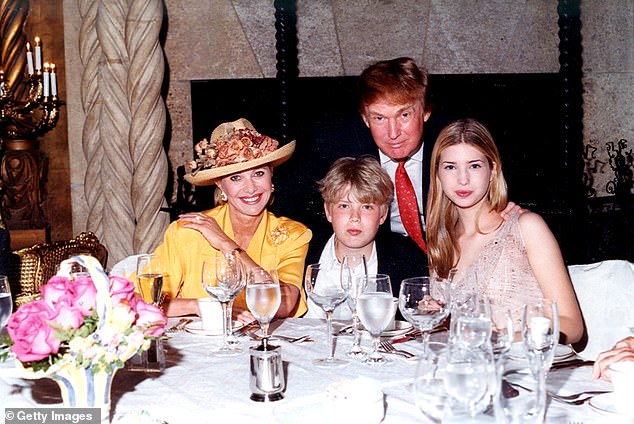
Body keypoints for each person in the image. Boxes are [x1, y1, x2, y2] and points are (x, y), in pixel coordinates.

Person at [356, 57, 519, 282]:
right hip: (386, 265)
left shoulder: (451, 144)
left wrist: (512, 207)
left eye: (404, 115)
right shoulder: (340, 149)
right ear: (365, 118)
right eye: (379, 118)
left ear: (425, 112)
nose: (393, 133)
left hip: (453, 257)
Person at [426, 118, 583, 344]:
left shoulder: (526, 227)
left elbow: (572, 325)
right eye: (450, 167)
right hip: (470, 368)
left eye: (474, 166)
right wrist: (437, 316)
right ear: (437, 174)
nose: (463, 179)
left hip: (524, 369)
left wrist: (500, 338)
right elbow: (461, 331)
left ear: (493, 169)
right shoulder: (441, 241)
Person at [153, 118, 312, 320]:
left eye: (259, 173)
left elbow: (284, 306)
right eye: (236, 177)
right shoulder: (188, 230)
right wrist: (199, 306)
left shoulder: (293, 234)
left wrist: (227, 245)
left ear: (271, 176)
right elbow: (140, 300)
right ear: (220, 184)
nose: (251, 188)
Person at [305, 156, 393, 318]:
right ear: (328, 211)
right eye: (344, 206)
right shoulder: (305, 251)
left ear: (383, 214)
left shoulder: (406, 261)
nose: (355, 217)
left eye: (366, 207)